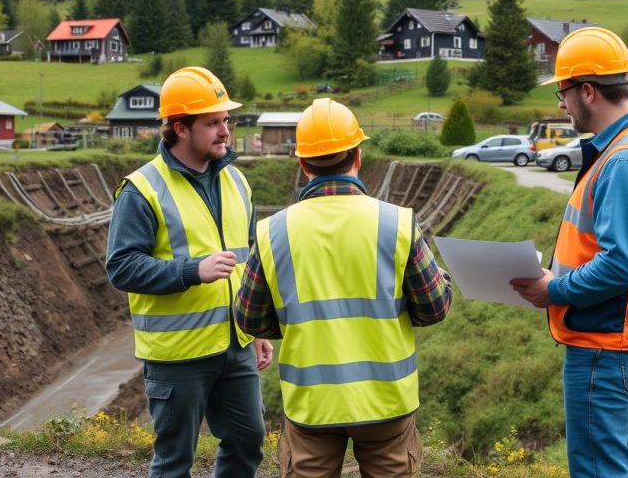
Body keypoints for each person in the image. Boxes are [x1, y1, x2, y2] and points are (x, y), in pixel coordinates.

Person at [234, 98, 453, 478]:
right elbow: (434, 308)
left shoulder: (273, 232)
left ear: (302, 164)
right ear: (358, 156)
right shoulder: (397, 223)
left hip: (312, 404)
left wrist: (295, 320)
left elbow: (249, 317)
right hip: (386, 401)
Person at [509, 28, 628, 478]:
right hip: (620, 337)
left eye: (563, 93)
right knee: (620, 464)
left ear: (588, 90)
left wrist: (555, 289)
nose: (560, 105)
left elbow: (622, 264)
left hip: (607, 343)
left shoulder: (625, 162)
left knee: (600, 470)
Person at [105, 66, 273, 478]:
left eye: (226, 120)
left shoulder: (237, 181)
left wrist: (257, 329)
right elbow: (121, 267)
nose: (225, 131)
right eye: (212, 122)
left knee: (248, 441)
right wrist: (191, 270)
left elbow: (249, 261)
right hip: (177, 356)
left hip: (235, 346)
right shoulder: (141, 189)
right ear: (180, 128)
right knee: (174, 460)